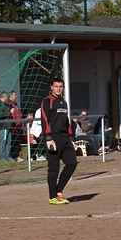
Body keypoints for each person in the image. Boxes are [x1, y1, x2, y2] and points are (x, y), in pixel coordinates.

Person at [40, 77, 77, 205]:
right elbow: (44, 119)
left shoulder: (63, 102)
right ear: (51, 87)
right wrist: (48, 138)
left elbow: (66, 121)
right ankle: (52, 197)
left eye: (60, 86)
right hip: (52, 138)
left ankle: (59, 190)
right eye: (56, 86)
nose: (58, 89)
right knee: (54, 169)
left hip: (64, 138)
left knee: (72, 163)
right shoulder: (47, 101)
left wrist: (71, 136)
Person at [0, 92, 12, 160]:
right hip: (3, 126)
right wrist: (9, 112)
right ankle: (2, 157)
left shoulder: (5, 104)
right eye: (7, 97)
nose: (8, 99)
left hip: (7, 126)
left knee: (8, 141)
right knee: (3, 141)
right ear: (4, 97)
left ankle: (8, 156)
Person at [8, 90, 24, 161]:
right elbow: (10, 114)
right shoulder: (9, 104)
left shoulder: (15, 104)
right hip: (14, 127)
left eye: (16, 95)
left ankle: (17, 156)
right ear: (11, 96)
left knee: (18, 142)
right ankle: (14, 156)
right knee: (14, 142)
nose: (16, 96)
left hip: (19, 126)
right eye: (15, 95)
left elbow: (19, 114)